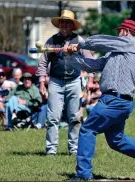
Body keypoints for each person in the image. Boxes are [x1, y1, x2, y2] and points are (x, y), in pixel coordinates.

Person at [66, 19, 135, 179]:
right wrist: (71, 57)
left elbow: (100, 42)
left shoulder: (132, 43)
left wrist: (81, 44)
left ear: (126, 32)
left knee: (87, 130)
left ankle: (83, 175)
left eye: (119, 32)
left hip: (114, 101)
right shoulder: (117, 52)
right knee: (116, 140)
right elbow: (94, 65)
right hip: (118, 102)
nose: (117, 35)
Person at [36, 10, 94, 156]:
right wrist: (42, 82)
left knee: (75, 117)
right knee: (52, 117)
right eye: (62, 22)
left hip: (74, 81)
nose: (64, 25)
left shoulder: (80, 41)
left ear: (72, 25)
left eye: (67, 22)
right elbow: (43, 63)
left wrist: (90, 79)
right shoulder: (51, 41)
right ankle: (51, 150)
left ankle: (73, 149)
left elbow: (90, 61)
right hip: (55, 82)